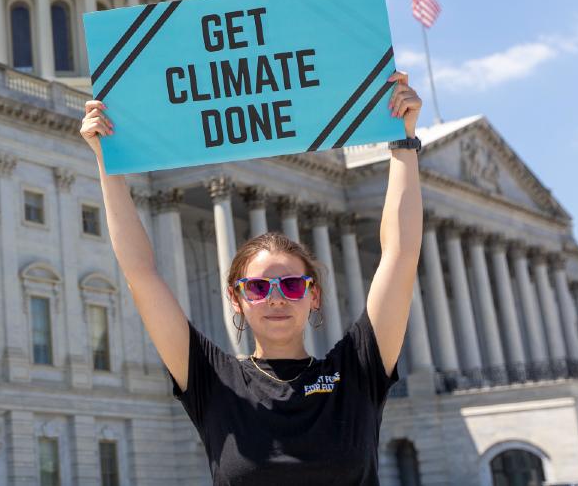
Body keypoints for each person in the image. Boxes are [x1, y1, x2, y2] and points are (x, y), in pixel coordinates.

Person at [80, 71, 424, 484]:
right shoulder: (214, 382)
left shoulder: (356, 371)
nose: (276, 298)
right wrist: (107, 159)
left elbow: (400, 256)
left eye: (293, 285)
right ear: (236, 298)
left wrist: (404, 142)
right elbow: (142, 274)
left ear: (313, 297)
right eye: (258, 287)